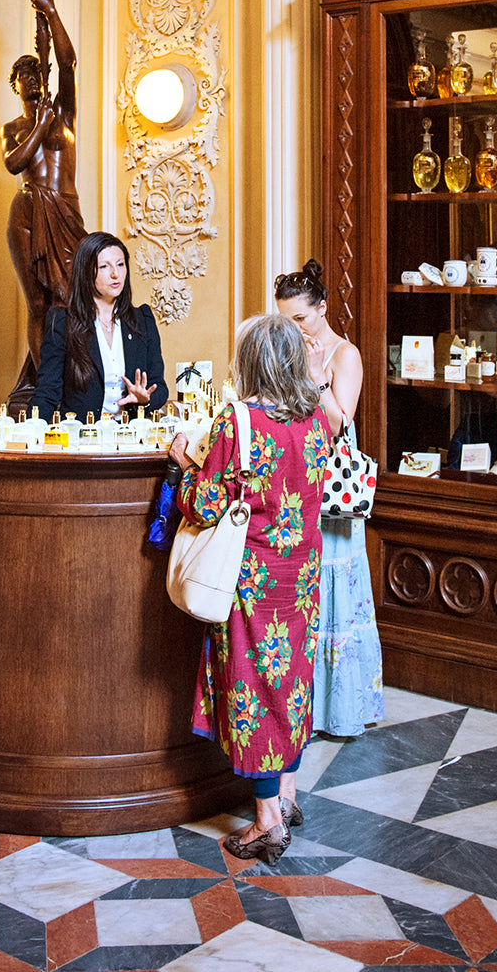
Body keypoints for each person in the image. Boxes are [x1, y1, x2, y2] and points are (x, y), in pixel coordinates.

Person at [167, 314, 327, 864]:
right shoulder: (316, 421)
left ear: (251, 362)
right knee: (292, 683)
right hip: (301, 575)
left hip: (252, 581)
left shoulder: (241, 423)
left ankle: (266, 823)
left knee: (253, 689)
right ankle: (287, 795)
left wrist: (184, 462)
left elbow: (206, 503)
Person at [275, 260, 384, 738]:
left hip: (332, 485)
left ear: (321, 308)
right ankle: (303, 709)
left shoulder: (345, 354)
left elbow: (339, 423)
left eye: (299, 319)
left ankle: (338, 710)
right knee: (304, 588)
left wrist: (317, 376)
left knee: (333, 585)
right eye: (284, 321)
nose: (292, 330)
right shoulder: (288, 349)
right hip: (296, 477)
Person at [2, 0, 87, 372]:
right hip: (27, 210)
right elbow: (15, 164)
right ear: (14, 85)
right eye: (23, 74)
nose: (31, 78)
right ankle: (44, 381)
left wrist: (51, 11)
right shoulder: (15, 127)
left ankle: (74, 376)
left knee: (71, 298)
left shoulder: (64, 114)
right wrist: (39, 126)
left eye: (36, 71)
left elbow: (67, 62)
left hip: (64, 209)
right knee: (37, 303)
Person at [31, 231, 168, 422]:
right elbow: (47, 392)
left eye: (120, 264)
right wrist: (30, 432)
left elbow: (159, 388)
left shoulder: (142, 320)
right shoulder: (62, 322)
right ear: (86, 272)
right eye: (104, 266)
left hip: (130, 437)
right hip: (81, 440)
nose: (115, 274)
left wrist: (144, 399)